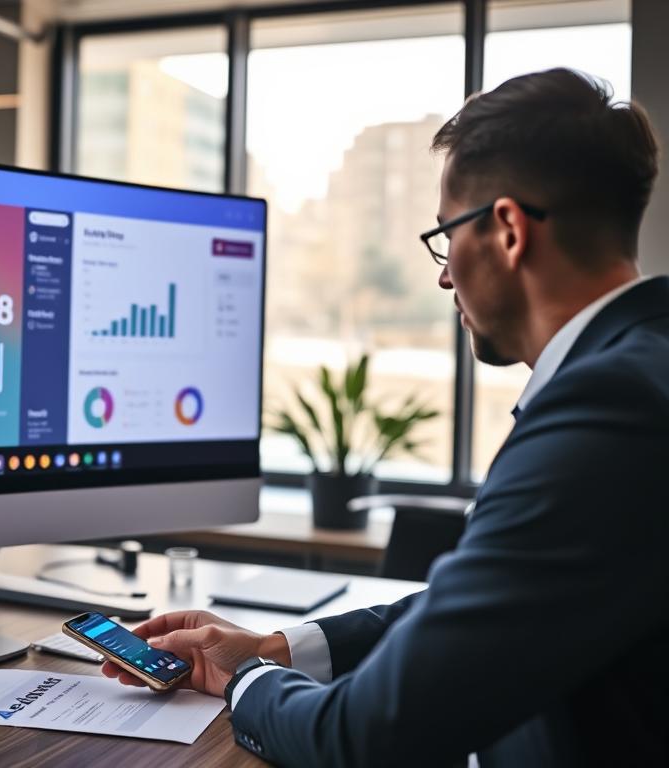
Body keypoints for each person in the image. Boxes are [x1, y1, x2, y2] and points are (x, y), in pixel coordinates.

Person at [103, 68, 669, 767]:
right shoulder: (645, 368)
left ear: (508, 231)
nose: (442, 275)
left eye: (445, 236)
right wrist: (276, 649)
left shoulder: (606, 410)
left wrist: (242, 680)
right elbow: (493, 611)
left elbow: (367, 736)